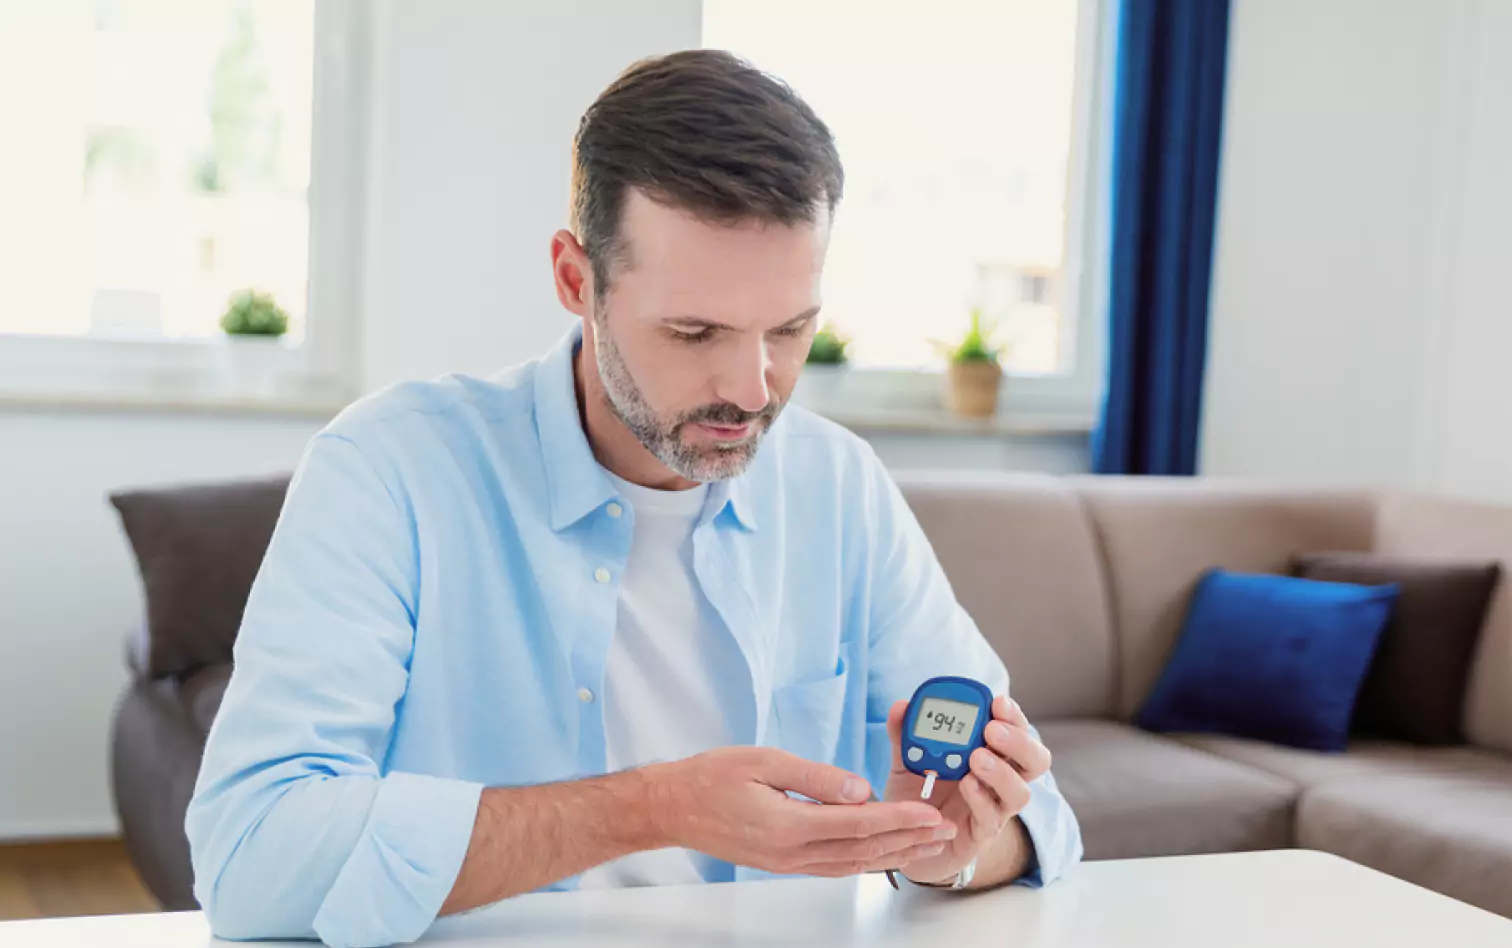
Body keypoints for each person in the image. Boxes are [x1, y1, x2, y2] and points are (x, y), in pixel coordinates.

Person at [185, 49, 1083, 948]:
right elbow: (252, 858)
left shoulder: (838, 486)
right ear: (578, 281)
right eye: (695, 332)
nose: (754, 387)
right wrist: (653, 808)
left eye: (792, 329)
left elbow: (1037, 819)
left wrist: (947, 851)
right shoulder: (390, 470)